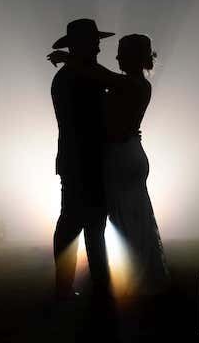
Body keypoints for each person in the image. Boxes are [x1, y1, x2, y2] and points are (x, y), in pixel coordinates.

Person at [48, 34, 170, 296]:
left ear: (134, 57)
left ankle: (134, 284)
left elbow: (106, 78)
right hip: (129, 154)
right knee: (133, 218)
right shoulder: (135, 84)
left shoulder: (130, 84)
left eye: (121, 53)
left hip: (121, 157)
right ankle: (133, 282)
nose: (115, 57)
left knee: (125, 219)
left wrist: (70, 58)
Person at [50, 18, 114, 301]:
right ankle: (74, 287)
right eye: (94, 42)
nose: (99, 46)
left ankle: (89, 285)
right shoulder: (73, 77)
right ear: (81, 45)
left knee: (86, 223)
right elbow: (110, 84)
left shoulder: (75, 74)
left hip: (83, 159)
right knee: (76, 223)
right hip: (81, 160)